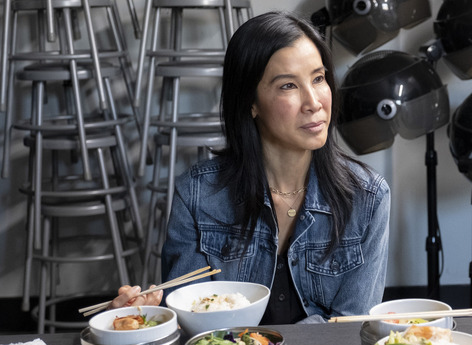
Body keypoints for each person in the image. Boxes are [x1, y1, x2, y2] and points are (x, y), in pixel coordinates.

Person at [110, 11, 391, 324]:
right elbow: (194, 321)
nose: (314, 102)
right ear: (250, 102)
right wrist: (133, 323)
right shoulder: (197, 195)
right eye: (288, 86)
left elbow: (349, 324)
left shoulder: (368, 197)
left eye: (318, 78)